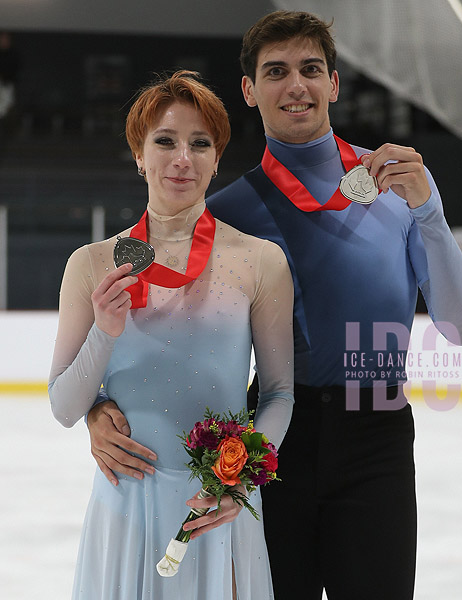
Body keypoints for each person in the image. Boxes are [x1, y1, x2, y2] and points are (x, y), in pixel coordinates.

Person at [86, 11, 462, 600]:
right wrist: (96, 407)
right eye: (276, 71)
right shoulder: (226, 213)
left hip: (376, 432)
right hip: (270, 443)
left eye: (310, 69)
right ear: (249, 90)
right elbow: (158, 335)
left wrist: (430, 213)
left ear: (334, 84)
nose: (295, 85)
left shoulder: (401, 186)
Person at [48, 70, 294, 600]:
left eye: (199, 144)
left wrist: (241, 480)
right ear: (139, 154)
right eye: (165, 141)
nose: (182, 158)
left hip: (217, 507)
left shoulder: (260, 260)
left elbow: (279, 393)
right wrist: (105, 334)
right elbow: (65, 405)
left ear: (216, 158)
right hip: (125, 506)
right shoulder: (91, 264)